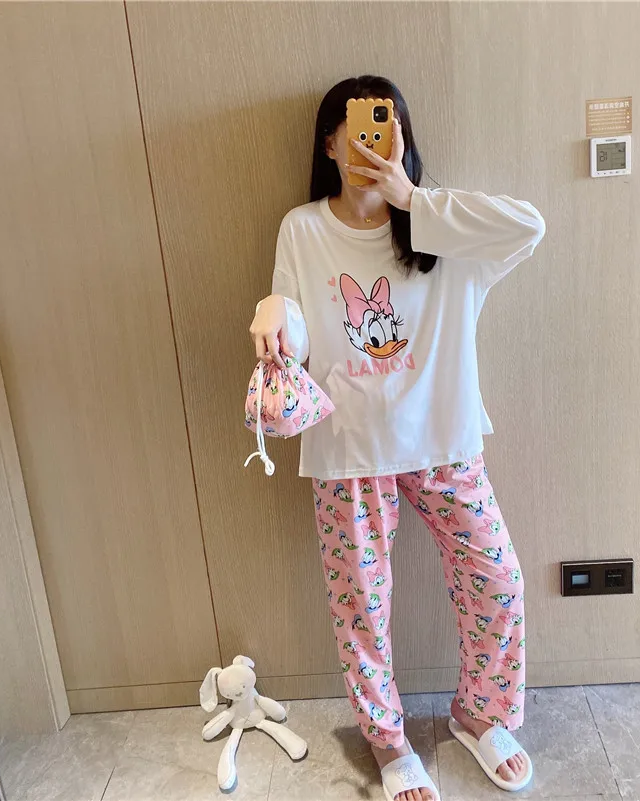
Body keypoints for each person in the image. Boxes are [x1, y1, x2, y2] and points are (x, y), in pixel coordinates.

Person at [249, 75, 545, 800]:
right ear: (329, 143)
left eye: (386, 128)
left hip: (444, 439)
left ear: (402, 139)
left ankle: (480, 713)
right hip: (349, 450)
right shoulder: (303, 229)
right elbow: (297, 332)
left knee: (499, 581)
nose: (370, 143)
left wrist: (414, 201)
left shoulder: (442, 227)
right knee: (362, 607)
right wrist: (273, 310)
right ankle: (387, 741)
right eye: (354, 129)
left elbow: (529, 226)